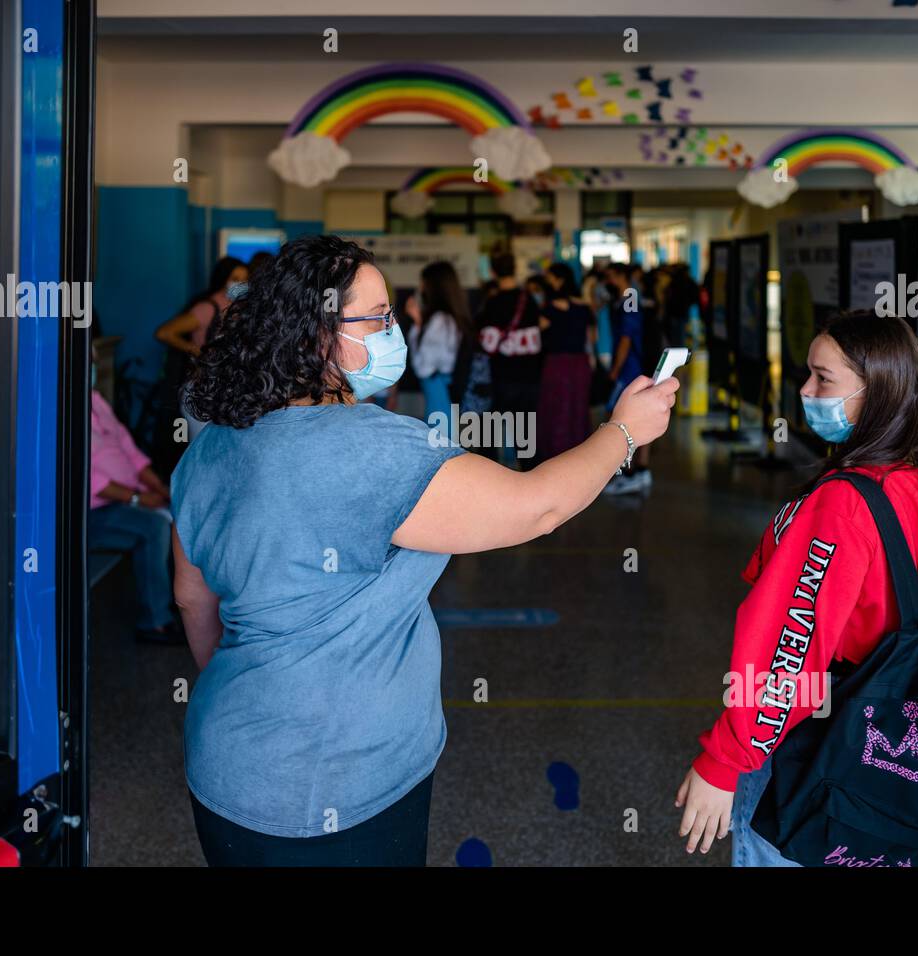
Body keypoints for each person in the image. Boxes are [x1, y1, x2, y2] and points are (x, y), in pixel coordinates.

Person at [172, 236, 677, 866]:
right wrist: (623, 432)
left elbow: (193, 599)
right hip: (337, 789)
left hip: (225, 764)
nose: (397, 328)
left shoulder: (211, 445)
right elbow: (536, 507)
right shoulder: (372, 449)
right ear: (315, 336)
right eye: (379, 317)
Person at [676, 311, 918, 864]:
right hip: (895, 747)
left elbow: (789, 641)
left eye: (822, 378)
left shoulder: (844, 501)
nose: (806, 391)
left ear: (876, 391)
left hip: (816, 749)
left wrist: (725, 760)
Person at [89, 363, 182, 644]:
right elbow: (86, 477)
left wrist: (160, 487)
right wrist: (137, 498)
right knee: (152, 528)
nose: (92, 365)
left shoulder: (95, 401)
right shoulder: (59, 408)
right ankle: (154, 622)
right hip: (94, 510)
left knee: (181, 514)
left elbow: (128, 450)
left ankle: (184, 604)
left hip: (131, 495)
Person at [152, 257, 250, 468]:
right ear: (222, 279)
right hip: (203, 388)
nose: (240, 284)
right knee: (204, 451)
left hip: (229, 388)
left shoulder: (242, 308)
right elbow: (165, 332)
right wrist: (199, 351)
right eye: (235, 278)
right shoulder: (209, 307)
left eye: (244, 279)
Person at [476, 252, 544, 468]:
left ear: (493, 272)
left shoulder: (493, 303)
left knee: (488, 438)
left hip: (500, 379)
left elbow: (485, 343)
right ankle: (531, 487)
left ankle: (492, 487)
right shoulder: (529, 300)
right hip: (529, 378)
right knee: (525, 441)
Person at [535, 262, 595, 462]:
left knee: (555, 409)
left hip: (557, 364)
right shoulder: (584, 307)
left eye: (550, 278)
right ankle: (579, 453)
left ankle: (555, 456)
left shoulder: (550, 307)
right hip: (580, 364)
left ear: (559, 280)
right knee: (577, 409)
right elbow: (591, 339)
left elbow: (537, 334)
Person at [603, 262, 652, 493]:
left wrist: (615, 369)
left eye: (611, 277)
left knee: (622, 418)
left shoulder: (630, 299)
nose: (607, 282)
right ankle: (636, 470)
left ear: (621, 276)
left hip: (629, 368)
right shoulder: (623, 299)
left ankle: (634, 470)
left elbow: (626, 338)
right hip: (630, 366)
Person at [406, 261, 468, 428]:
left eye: (423, 283)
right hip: (445, 390)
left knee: (441, 443)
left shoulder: (439, 321)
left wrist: (418, 323)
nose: (420, 288)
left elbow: (423, 367)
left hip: (439, 392)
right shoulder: (450, 318)